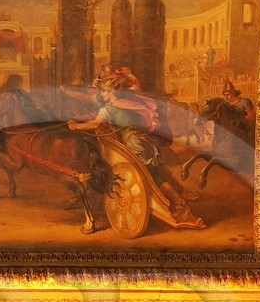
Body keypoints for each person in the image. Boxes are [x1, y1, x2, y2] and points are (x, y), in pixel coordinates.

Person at [69, 67, 203, 230]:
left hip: (135, 143)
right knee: (154, 171)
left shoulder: (109, 109)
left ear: (112, 92)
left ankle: (179, 206)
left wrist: (76, 126)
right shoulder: (128, 105)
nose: (102, 94)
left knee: (150, 176)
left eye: (104, 92)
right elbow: (97, 118)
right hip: (148, 141)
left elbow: (96, 123)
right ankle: (180, 198)